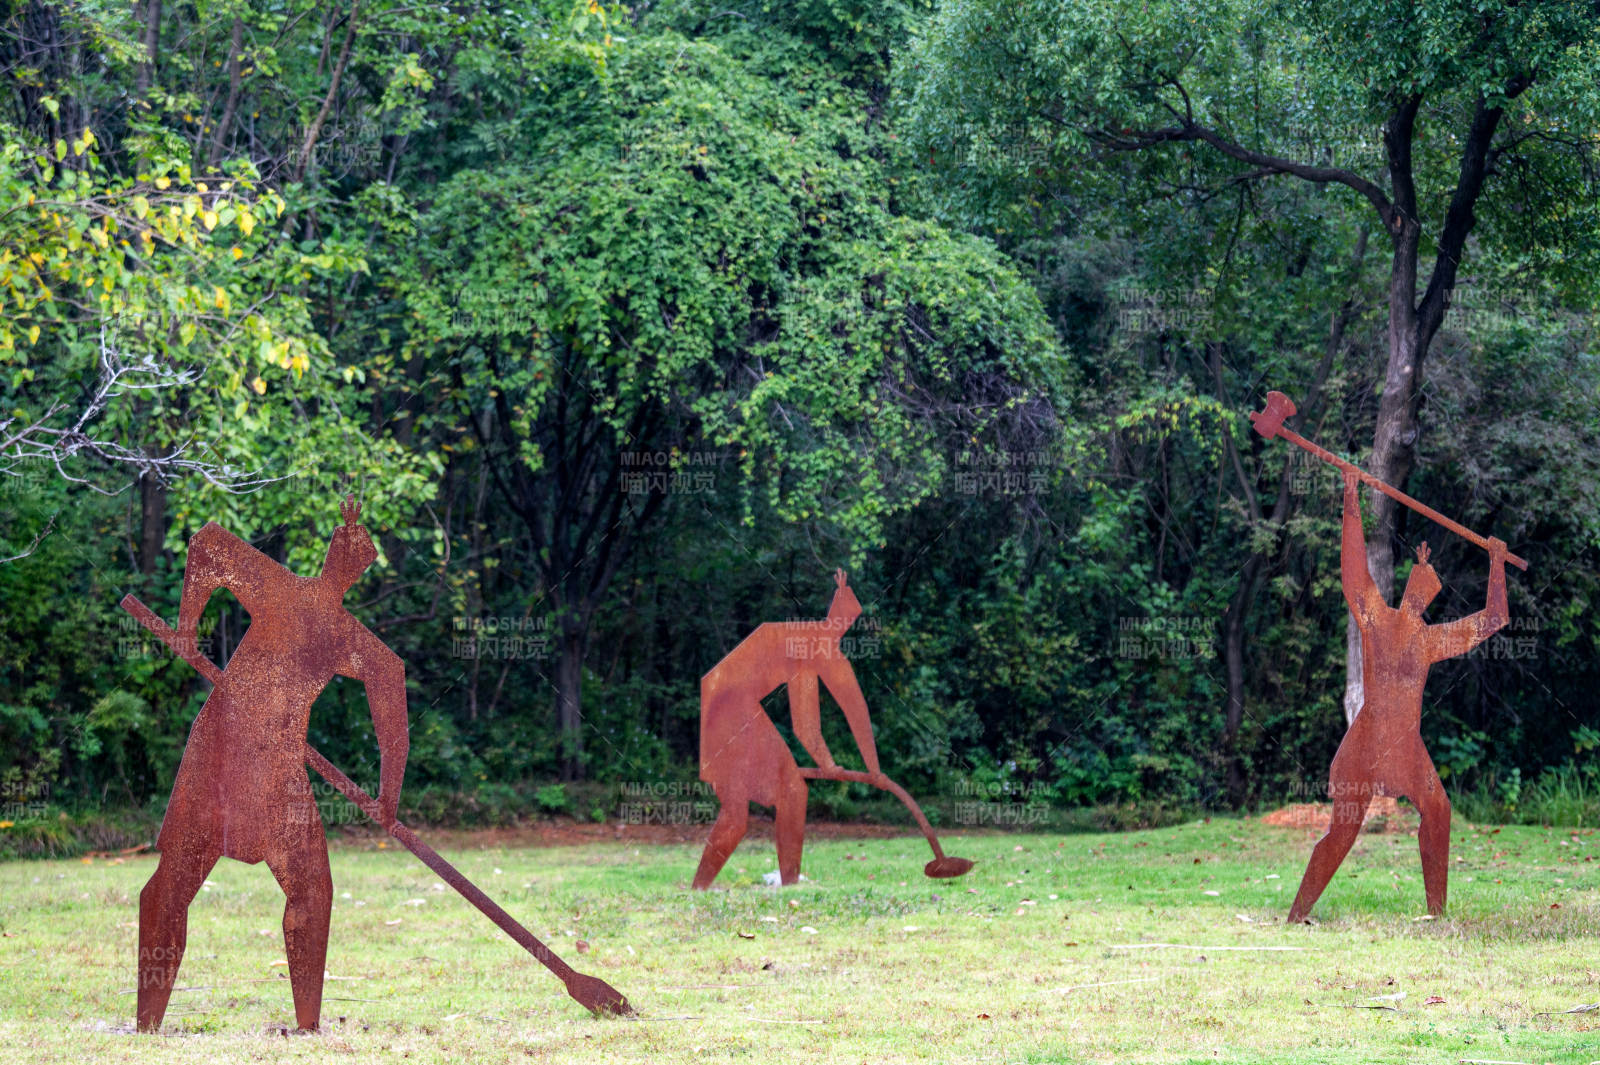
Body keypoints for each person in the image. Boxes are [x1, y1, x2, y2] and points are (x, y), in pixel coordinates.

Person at [137, 496, 408, 1032]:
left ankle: (304, 1026)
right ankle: (151, 1022)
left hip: (264, 758)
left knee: (302, 888)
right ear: (346, 565)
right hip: (228, 749)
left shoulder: (324, 620)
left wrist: (388, 799)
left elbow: (391, 697)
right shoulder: (314, 613)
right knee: (179, 884)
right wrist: (386, 798)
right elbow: (208, 544)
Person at [1287, 473, 1507, 922]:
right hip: (1368, 743)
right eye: (1415, 581)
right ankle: (1298, 914)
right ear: (1408, 590)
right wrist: (1351, 499)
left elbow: (1492, 620)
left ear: (1425, 600)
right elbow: (1353, 574)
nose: (1417, 590)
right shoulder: (1378, 621)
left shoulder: (1428, 640)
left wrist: (1497, 563)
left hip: (1405, 747)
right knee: (1342, 834)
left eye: (1425, 588)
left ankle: (1435, 912)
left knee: (1438, 810)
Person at [692, 570, 881, 889]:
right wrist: (873, 770)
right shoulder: (814, 645)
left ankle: (701, 888)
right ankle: (786, 884)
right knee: (791, 791)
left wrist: (828, 764)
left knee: (739, 815)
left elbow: (806, 726)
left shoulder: (804, 645)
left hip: (719, 699)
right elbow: (855, 710)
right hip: (730, 704)